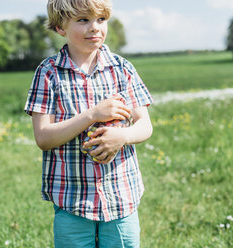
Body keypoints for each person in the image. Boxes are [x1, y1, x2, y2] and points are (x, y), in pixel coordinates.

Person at [24, 0, 154, 247]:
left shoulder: (122, 69)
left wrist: (123, 137)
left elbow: (144, 125)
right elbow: (43, 137)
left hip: (121, 199)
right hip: (72, 202)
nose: (94, 28)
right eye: (83, 20)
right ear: (60, 27)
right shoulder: (49, 73)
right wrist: (92, 115)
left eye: (100, 20)